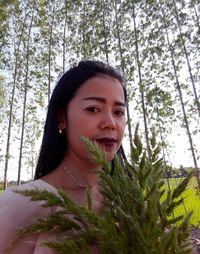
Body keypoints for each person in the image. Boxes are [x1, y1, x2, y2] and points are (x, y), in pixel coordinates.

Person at [0, 60, 127, 253]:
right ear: (61, 119)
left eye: (118, 112)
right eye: (93, 109)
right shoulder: (20, 206)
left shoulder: (129, 204)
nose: (111, 123)